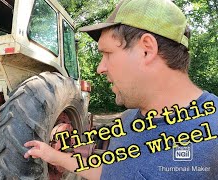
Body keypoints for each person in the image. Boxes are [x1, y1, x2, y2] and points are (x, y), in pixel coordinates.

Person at [24, 0, 218, 179]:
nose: (100, 68)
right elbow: (110, 172)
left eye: (107, 53)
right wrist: (54, 156)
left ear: (146, 50)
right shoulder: (128, 121)